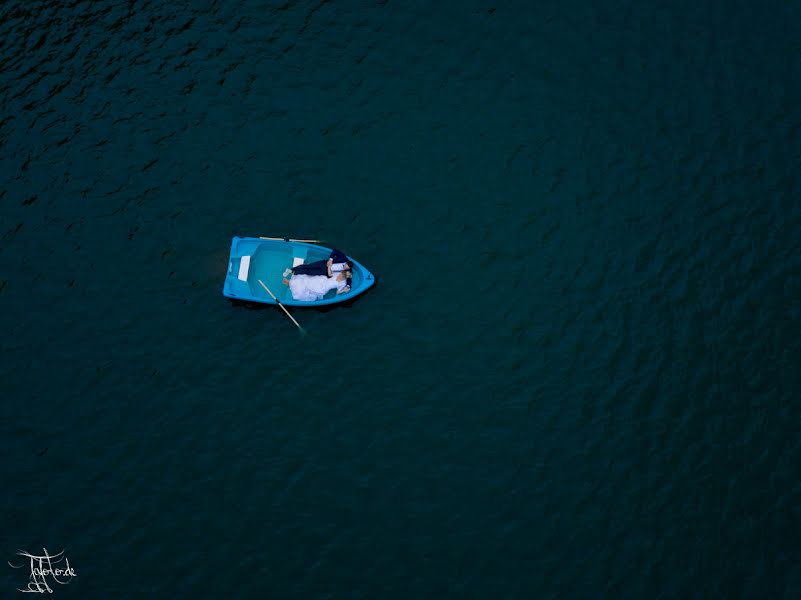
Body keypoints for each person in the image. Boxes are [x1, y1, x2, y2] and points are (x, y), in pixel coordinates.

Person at [282, 270, 352, 302]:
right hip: (322, 280)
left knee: (309, 286)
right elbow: (330, 272)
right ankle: (291, 283)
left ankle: (290, 283)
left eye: (342, 276)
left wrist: (344, 290)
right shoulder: (338, 273)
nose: (340, 275)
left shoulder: (342, 283)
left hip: (324, 288)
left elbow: (338, 292)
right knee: (307, 280)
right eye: (341, 274)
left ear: (344, 277)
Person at [285, 248, 353, 278]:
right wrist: (330, 260)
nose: (344, 268)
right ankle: (292, 269)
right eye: (345, 266)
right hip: (324, 263)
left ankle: (294, 272)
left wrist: (348, 285)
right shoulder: (343, 258)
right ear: (346, 263)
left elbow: (349, 277)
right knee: (308, 266)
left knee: (309, 272)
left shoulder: (348, 270)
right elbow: (335, 251)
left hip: (325, 272)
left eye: (346, 268)